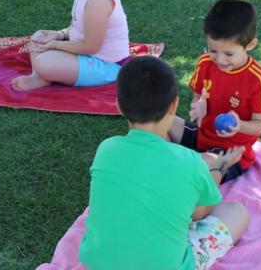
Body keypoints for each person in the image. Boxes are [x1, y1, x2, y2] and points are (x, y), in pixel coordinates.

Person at [79, 56, 249, 270]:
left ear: (119, 106)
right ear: (174, 105)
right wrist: (219, 167)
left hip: (100, 262)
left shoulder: (106, 149)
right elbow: (200, 213)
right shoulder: (191, 163)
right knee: (237, 212)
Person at [168, 0, 261, 182]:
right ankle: (167, 161)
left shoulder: (259, 79)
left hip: (231, 152)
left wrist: (239, 125)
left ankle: (190, 167)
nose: (219, 60)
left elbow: (259, 124)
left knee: (201, 172)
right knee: (162, 121)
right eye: (213, 50)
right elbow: (197, 96)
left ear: (250, 45)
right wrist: (199, 104)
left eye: (229, 54)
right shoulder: (204, 63)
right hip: (201, 136)